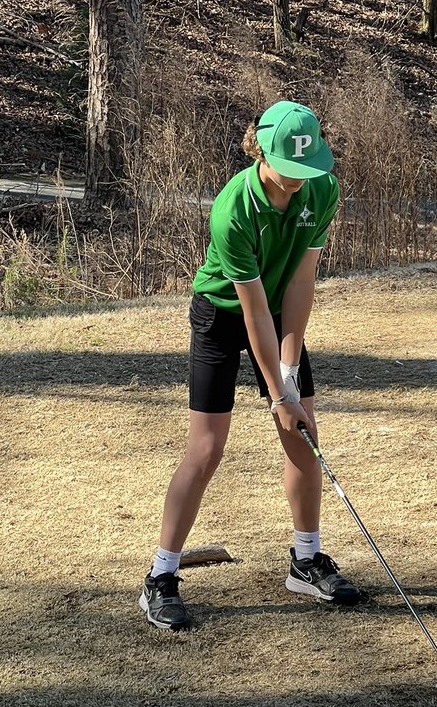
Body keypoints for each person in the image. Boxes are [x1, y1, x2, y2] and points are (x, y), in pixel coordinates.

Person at [140, 100, 363, 630]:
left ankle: (306, 560)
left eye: (309, 167)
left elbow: (301, 283)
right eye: (291, 167)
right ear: (261, 152)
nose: (301, 178)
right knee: (206, 448)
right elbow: (252, 309)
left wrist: (289, 375)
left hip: (281, 310)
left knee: (303, 435)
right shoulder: (232, 209)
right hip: (221, 314)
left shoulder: (323, 190)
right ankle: (160, 577)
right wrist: (279, 395)